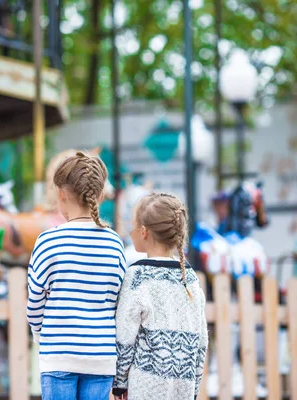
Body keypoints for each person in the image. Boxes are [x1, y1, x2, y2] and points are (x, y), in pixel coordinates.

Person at [26, 151, 126, 400]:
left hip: (59, 353)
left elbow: (35, 300)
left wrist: (41, 335)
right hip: (101, 357)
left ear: (60, 194)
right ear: (101, 196)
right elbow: (118, 301)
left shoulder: (48, 241)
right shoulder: (114, 243)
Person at [112, 192, 207, 400]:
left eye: (132, 225)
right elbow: (201, 340)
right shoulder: (189, 278)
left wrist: (119, 384)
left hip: (145, 386)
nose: (130, 230)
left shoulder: (137, 276)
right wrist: (194, 385)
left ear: (144, 232)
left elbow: (125, 336)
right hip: (183, 386)